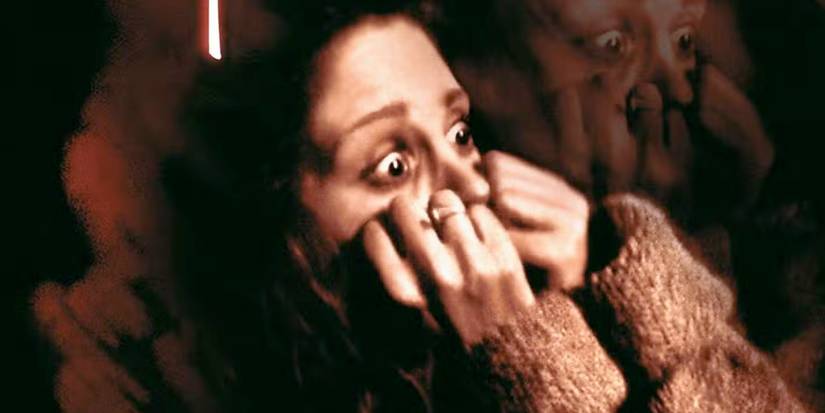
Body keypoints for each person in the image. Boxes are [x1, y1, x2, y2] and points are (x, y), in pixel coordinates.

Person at [33, 1, 808, 412]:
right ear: (284, 236)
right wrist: (528, 368)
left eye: (460, 131)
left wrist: (631, 297)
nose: (471, 187)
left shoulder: (560, 312)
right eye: (393, 164)